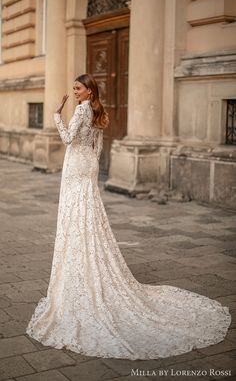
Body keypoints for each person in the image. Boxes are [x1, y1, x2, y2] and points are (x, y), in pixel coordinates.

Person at [26, 73, 231, 360]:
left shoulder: (81, 110)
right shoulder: (96, 110)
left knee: (75, 219)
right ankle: (85, 267)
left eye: (78, 88)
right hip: (87, 168)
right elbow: (97, 146)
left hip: (75, 168)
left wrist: (56, 115)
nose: (74, 92)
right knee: (88, 217)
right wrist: (92, 168)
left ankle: (78, 273)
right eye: (73, 88)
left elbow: (68, 139)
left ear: (88, 91)